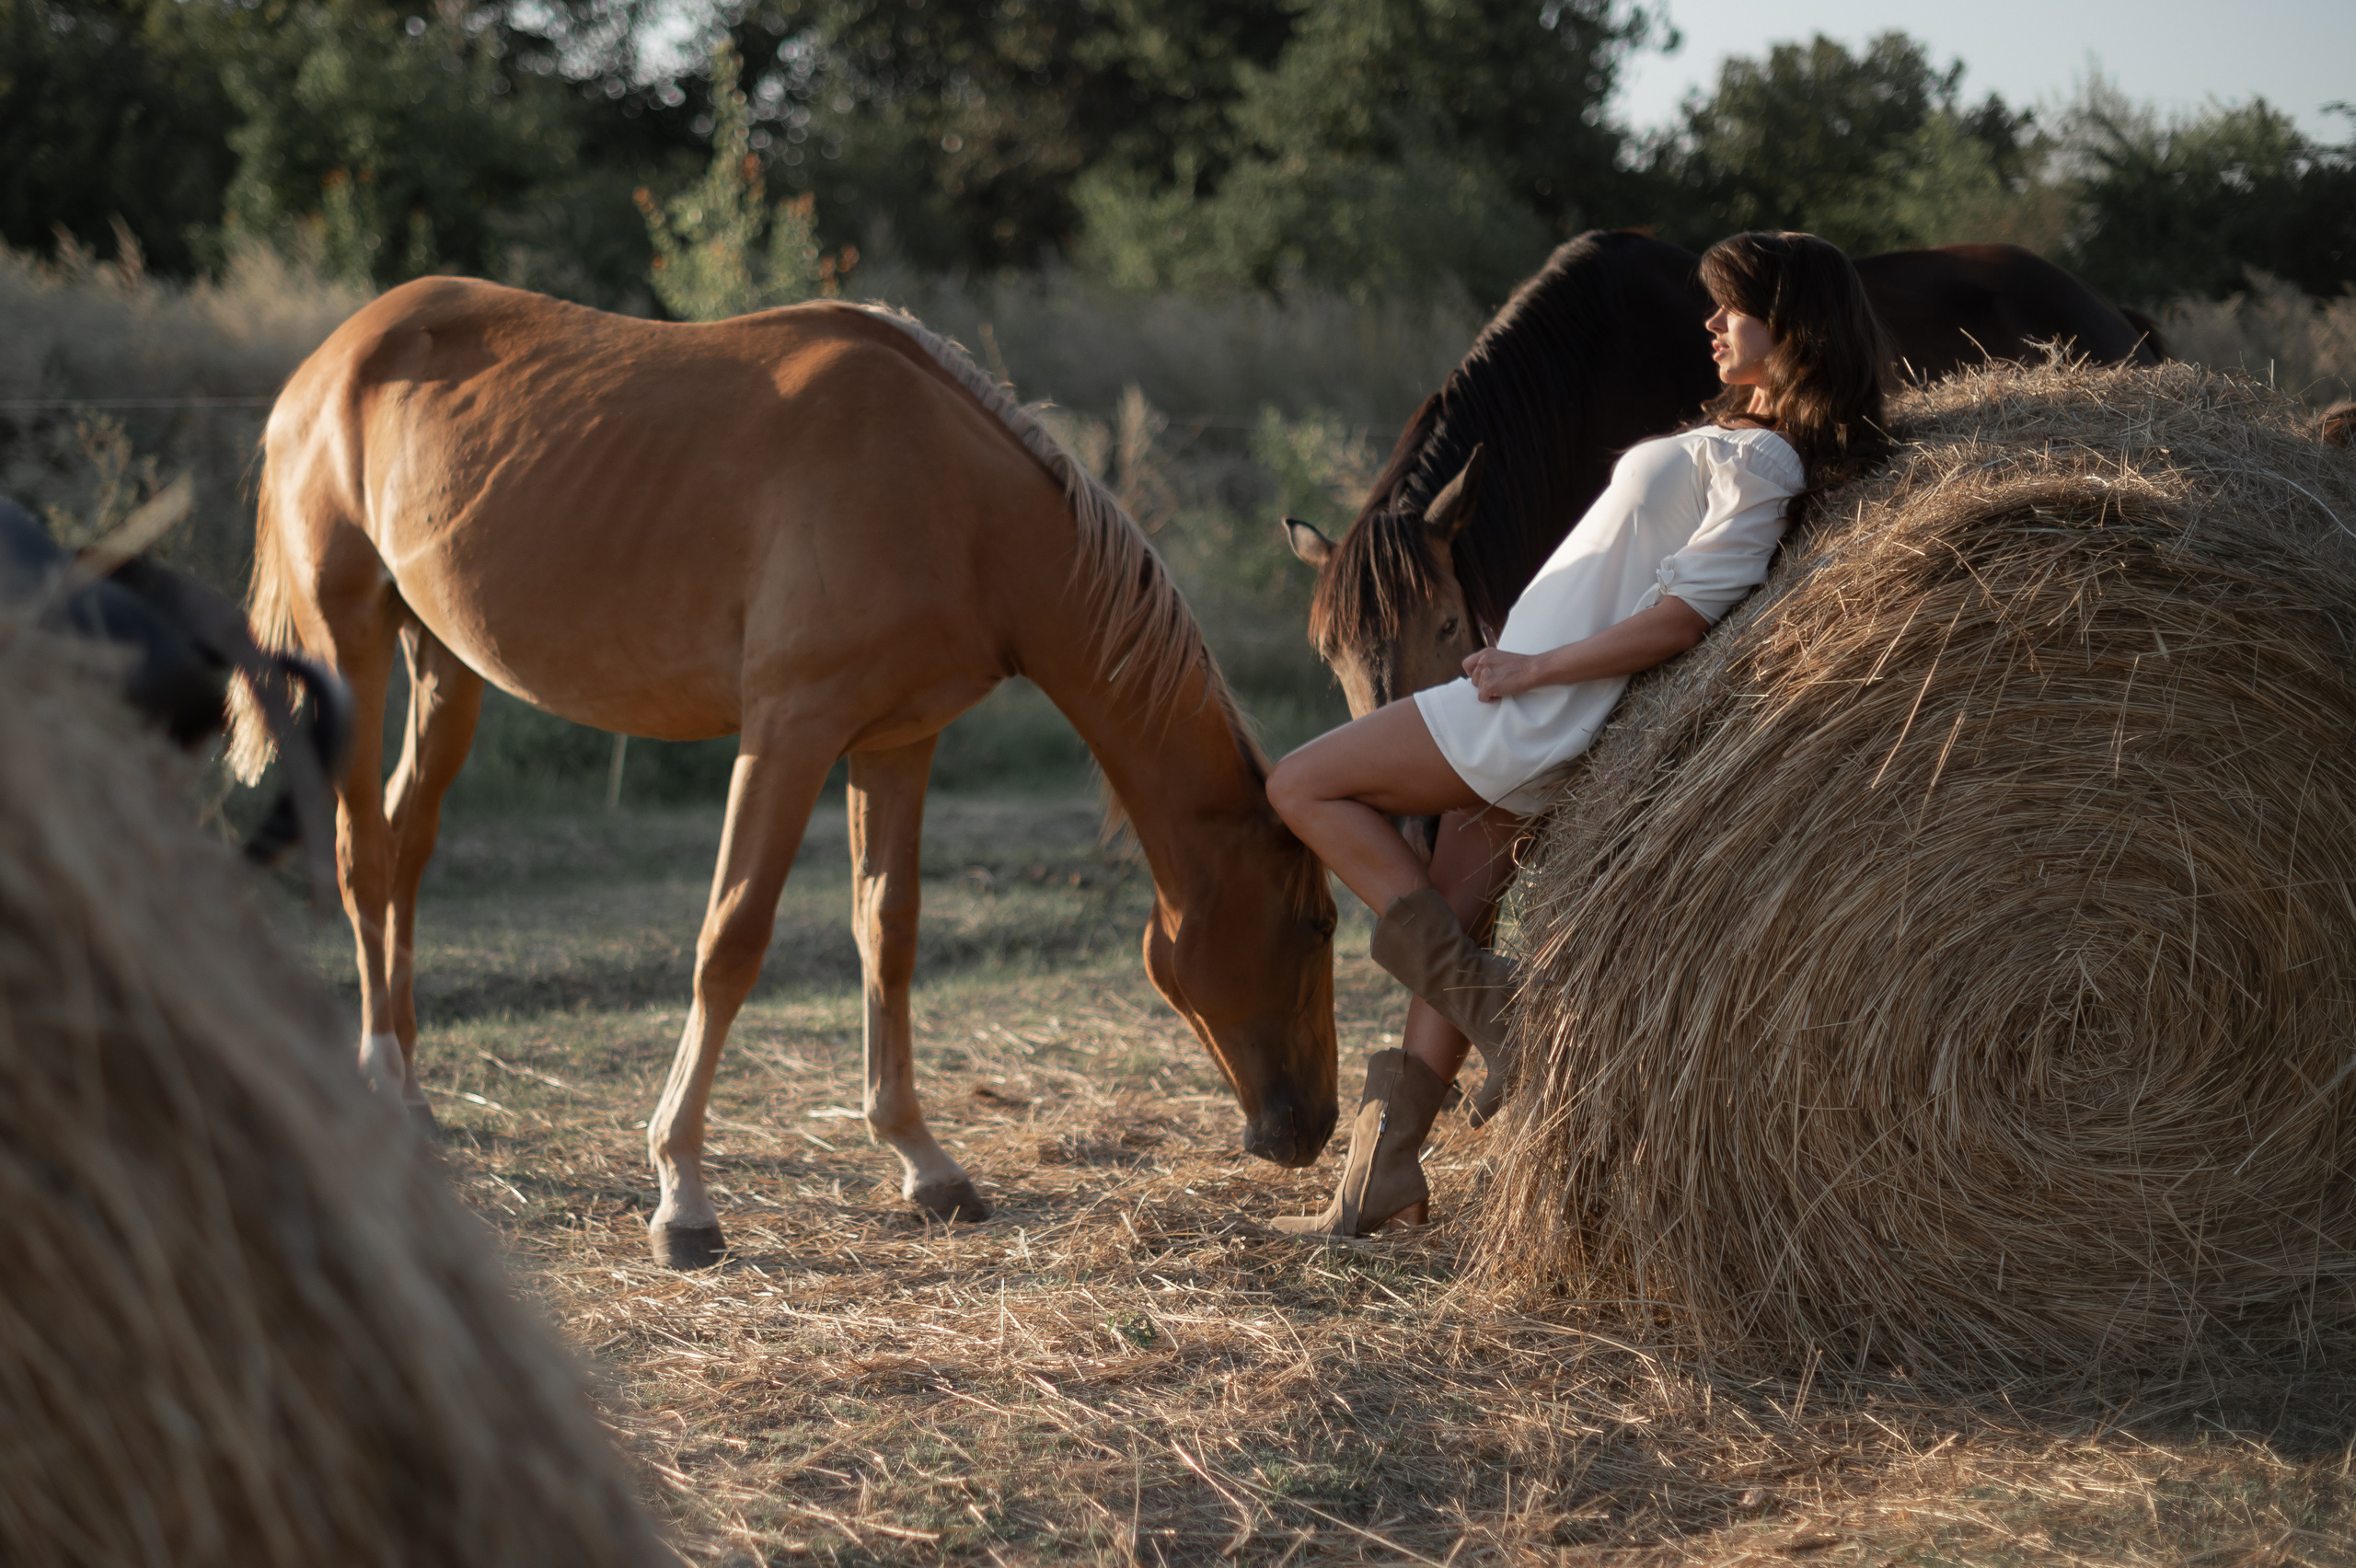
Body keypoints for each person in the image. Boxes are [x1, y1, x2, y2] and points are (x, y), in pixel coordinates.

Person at [1265, 231, 1890, 1237]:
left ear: (1795, 325)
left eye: (1732, 309)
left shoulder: (1765, 461)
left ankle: (1499, 1011)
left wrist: (1534, 667)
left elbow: (1685, 616)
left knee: (1299, 786)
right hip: (1523, 687)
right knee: (1452, 911)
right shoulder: (1732, 437)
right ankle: (1379, 1176)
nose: (1710, 324)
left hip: (1528, 709)